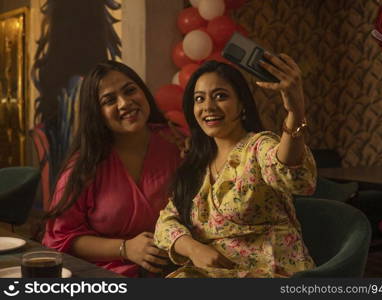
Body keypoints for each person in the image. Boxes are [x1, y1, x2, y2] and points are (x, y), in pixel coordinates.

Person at [154, 55, 317, 278]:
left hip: (269, 273)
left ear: (242, 104)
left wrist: (295, 113)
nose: (208, 107)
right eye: (199, 99)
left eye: (220, 96)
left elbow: (291, 174)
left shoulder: (258, 146)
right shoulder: (196, 163)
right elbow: (166, 222)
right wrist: (194, 248)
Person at [42, 60, 184, 277]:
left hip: (177, 269)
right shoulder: (85, 164)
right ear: (96, 113)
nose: (125, 103)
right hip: (108, 275)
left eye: (130, 90)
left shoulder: (177, 142)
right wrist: (125, 249)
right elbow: (60, 238)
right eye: (109, 100)